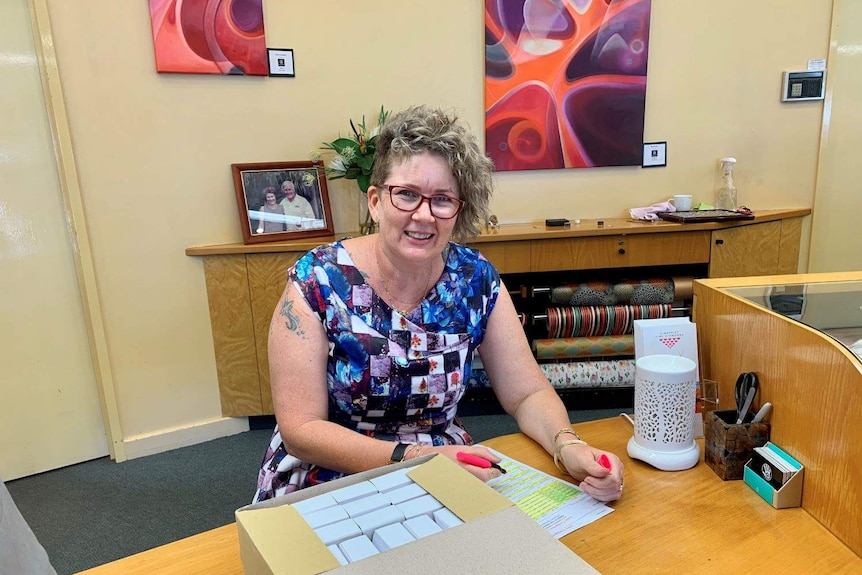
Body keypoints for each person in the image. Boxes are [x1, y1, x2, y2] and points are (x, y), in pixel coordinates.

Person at [254, 105, 624, 503]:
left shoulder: (475, 279)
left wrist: (566, 445)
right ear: (375, 201)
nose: (424, 215)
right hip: (331, 474)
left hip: (444, 465)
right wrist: (415, 459)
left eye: (443, 199)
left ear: (458, 211)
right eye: (407, 194)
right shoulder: (317, 280)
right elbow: (302, 430)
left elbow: (526, 393)